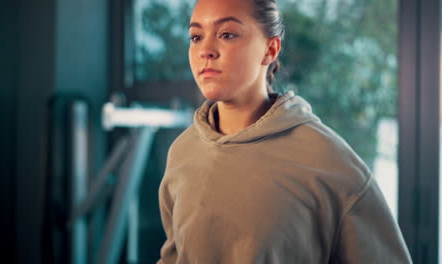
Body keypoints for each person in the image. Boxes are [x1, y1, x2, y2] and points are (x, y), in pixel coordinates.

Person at [157, 0, 412, 263]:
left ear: (270, 49)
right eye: (196, 37)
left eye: (227, 34)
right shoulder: (182, 153)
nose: (206, 51)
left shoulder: (330, 163)